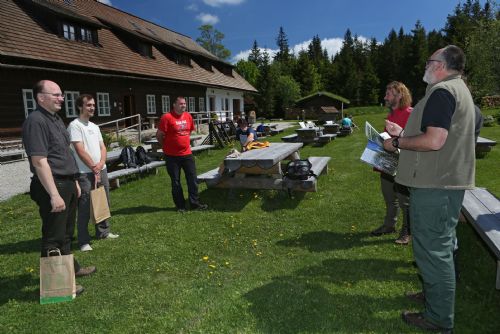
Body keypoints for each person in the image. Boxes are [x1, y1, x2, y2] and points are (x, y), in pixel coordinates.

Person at [383, 45, 475, 333]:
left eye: (429, 61)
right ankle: (436, 296)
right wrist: (404, 133)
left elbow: (434, 141)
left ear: (440, 65)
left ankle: (438, 318)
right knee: (441, 246)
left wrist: (396, 143)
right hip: (443, 182)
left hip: (436, 185)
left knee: (433, 250)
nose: (425, 65)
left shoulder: (442, 91)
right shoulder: (456, 89)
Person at [22, 80, 96, 296]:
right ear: (40, 97)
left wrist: (74, 182)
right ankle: (57, 287)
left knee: (65, 234)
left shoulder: (55, 119)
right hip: (51, 185)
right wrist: (54, 194)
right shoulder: (35, 121)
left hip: (67, 183)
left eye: (61, 95)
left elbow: (63, 153)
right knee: (53, 236)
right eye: (56, 95)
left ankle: (71, 269)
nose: (61, 98)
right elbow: (39, 161)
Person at [68, 94, 119, 252]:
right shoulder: (75, 126)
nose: (92, 108)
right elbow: (79, 150)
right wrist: (93, 167)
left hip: (100, 169)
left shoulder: (94, 127)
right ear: (80, 107)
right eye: (89, 105)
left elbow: (103, 147)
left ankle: (103, 232)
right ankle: (83, 240)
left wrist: (102, 163)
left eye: (93, 105)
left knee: (103, 201)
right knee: (85, 205)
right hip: (85, 172)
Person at [370, 82, 412, 245]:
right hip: (386, 162)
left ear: (399, 95)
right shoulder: (391, 115)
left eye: (389, 94)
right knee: (389, 197)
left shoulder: (411, 113)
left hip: (403, 164)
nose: (385, 97)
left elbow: (413, 138)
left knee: (404, 200)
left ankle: (406, 232)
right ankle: (389, 225)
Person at [156, 97, 208, 212]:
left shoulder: (188, 116)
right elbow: (159, 135)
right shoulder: (167, 117)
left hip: (187, 154)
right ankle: (180, 206)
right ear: (174, 105)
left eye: (184, 104)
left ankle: (194, 203)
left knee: (192, 179)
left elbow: (189, 131)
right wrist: (165, 146)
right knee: (176, 181)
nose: (183, 105)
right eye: (181, 104)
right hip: (171, 156)